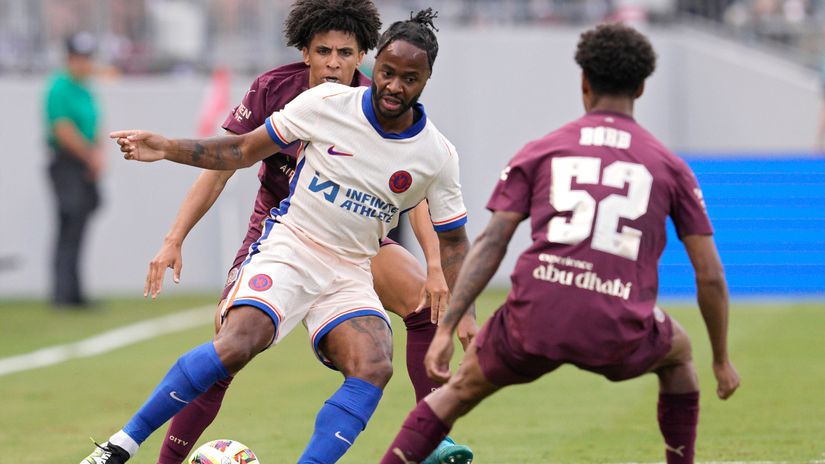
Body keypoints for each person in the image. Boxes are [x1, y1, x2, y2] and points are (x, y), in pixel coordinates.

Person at [82, 9, 475, 464]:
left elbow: (450, 234)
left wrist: (456, 302)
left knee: (374, 365)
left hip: (353, 262)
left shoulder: (438, 153)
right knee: (234, 345)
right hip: (290, 242)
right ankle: (120, 446)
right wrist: (168, 151)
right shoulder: (318, 103)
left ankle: (429, 435)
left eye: (409, 78)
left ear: (423, 79)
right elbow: (241, 152)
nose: (394, 86)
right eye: (388, 73)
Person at [381, 23, 741, 464]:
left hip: (536, 316)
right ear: (642, 87)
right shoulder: (669, 167)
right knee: (680, 357)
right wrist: (721, 359)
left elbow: (492, 243)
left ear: (584, 82)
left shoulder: (541, 151)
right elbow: (709, 273)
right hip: (618, 321)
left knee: (454, 395)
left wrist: (449, 327)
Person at [44, 31, 105, 308]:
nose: (85, 63)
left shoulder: (86, 88)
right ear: (69, 59)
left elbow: (96, 125)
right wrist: (89, 155)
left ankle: (74, 292)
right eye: (80, 58)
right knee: (68, 226)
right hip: (67, 164)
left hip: (84, 165)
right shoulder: (59, 87)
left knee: (79, 227)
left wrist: (97, 156)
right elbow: (62, 128)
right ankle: (63, 293)